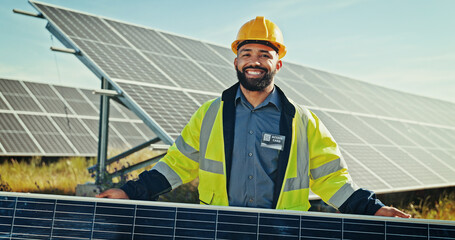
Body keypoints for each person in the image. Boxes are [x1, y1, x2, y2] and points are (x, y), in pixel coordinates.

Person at [98, 16, 410, 218]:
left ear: (278, 65)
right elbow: (176, 164)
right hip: (218, 229)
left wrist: (374, 209)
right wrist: (130, 190)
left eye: (264, 55)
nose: (254, 61)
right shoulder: (209, 115)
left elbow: (332, 179)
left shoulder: (302, 122)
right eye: (247, 54)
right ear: (236, 62)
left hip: (283, 230)